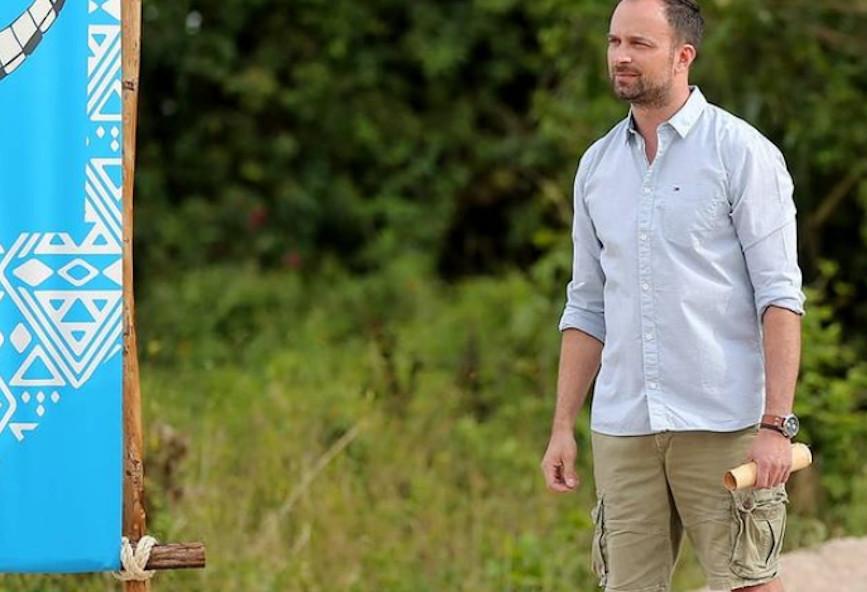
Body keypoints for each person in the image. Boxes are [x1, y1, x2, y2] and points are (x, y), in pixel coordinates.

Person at [539, 1, 806, 591]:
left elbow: (780, 297)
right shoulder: (597, 166)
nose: (621, 56)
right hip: (625, 426)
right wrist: (562, 426)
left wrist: (775, 425)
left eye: (639, 44)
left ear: (684, 56)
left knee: (747, 585)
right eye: (614, 42)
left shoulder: (741, 152)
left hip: (724, 421)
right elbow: (586, 306)